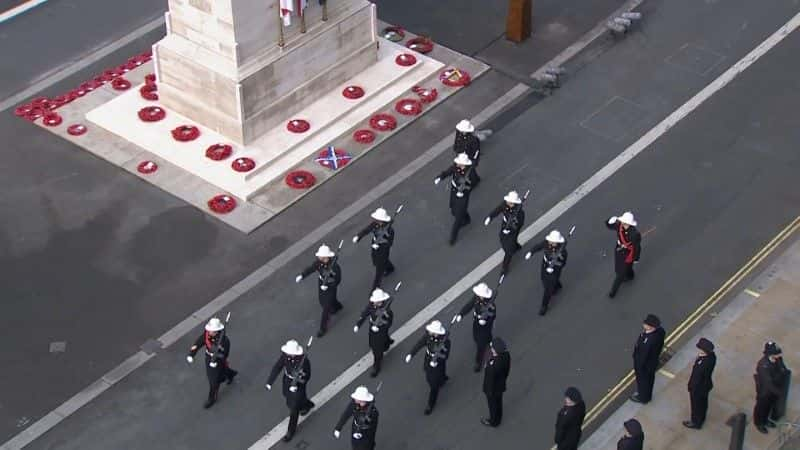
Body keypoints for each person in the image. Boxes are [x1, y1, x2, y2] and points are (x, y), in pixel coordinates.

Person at [265, 340, 316, 442]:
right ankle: (307, 404)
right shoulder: (285, 356)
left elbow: (307, 376)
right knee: (286, 395)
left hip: (298, 386)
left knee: (294, 408)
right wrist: (270, 382)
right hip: (287, 380)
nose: (286, 353)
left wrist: (298, 383)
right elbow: (278, 367)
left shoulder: (304, 361)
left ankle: (290, 432)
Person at [186, 317, 238, 409]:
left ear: (217, 331)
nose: (210, 332)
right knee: (219, 374)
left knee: (214, 380)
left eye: (212, 330)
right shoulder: (207, 335)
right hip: (209, 358)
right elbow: (198, 343)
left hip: (218, 361)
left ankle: (212, 398)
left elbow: (225, 354)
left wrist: (217, 356)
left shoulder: (225, 341)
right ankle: (230, 374)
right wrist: (191, 354)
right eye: (209, 330)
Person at [296, 244, 344, 337]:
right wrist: (302, 275)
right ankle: (337, 306)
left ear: (326, 257)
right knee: (323, 301)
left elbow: (338, 279)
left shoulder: (335, 267)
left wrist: (330, 286)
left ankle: (323, 328)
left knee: (326, 308)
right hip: (321, 284)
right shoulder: (319, 263)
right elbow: (311, 268)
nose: (318, 257)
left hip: (330, 286)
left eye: (320, 256)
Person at [405, 320, 452, 415]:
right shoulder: (428, 337)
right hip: (429, 359)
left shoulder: (446, 342)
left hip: (438, 362)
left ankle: (431, 404)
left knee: (434, 384)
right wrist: (411, 354)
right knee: (430, 374)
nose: (429, 332)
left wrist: (437, 360)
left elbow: (446, 356)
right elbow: (419, 344)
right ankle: (442, 378)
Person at [452, 282, 496, 372]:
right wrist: (461, 314)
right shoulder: (476, 298)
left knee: (481, 345)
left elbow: (493, 316)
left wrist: (486, 320)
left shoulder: (491, 305)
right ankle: (488, 340)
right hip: (476, 322)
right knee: (476, 336)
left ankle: (478, 362)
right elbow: (469, 305)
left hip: (486, 325)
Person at [434, 153, 476, 246]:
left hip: (463, 196)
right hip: (454, 191)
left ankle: (453, 237)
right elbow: (448, 172)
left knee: (458, 217)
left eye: (461, 163)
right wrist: (440, 177)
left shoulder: (470, 172)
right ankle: (466, 219)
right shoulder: (456, 167)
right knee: (453, 209)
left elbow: (471, 184)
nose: (458, 164)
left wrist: (463, 192)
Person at [354, 288, 395, 377]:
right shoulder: (371, 306)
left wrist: (381, 326)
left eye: (378, 301)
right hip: (372, 327)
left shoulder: (387, 311)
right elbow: (364, 314)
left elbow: (389, 322)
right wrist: (358, 324)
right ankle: (387, 341)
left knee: (377, 350)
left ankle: (376, 367)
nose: (375, 303)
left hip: (381, 330)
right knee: (372, 343)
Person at [525, 230, 568, 316]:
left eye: (553, 242)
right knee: (543, 279)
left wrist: (554, 265)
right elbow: (538, 247)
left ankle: (544, 306)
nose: (551, 243)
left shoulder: (563, 252)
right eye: (551, 241)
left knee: (548, 289)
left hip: (554, 270)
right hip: (545, 265)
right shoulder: (546, 243)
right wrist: (531, 252)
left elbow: (563, 264)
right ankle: (557, 285)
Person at [352, 207, 396, 290]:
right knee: (376, 260)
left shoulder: (390, 230)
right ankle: (390, 268)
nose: (375, 220)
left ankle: (375, 288)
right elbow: (367, 230)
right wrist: (358, 236)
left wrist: (381, 244)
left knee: (379, 269)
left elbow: (389, 243)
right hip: (375, 246)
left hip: (383, 249)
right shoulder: (374, 224)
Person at [484, 191, 525, 274]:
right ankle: (516, 246)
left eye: (511, 202)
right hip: (504, 227)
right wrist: (490, 217)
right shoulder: (505, 205)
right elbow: (497, 210)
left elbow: (520, 224)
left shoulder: (520, 213)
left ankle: (505, 268)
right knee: (503, 239)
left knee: (508, 250)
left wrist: (512, 227)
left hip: (513, 231)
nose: (508, 203)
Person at [753, 341, 789, 433]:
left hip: (775, 388)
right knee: (762, 408)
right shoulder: (763, 365)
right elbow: (768, 383)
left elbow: (782, 368)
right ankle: (759, 423)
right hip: (765, 392)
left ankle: (766, 420)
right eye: (777, 353)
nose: (779, 355)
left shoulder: (777, 358)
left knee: (769, 407)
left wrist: (782, 370)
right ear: (770, 354)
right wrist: (779, 393)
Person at [605, 212, 641, 298]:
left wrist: (636, 258)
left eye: (626, 223)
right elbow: (609, 226)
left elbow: (637, 247)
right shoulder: (619, 225)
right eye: (623, 222)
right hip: (620, 249)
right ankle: (630, 275)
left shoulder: (635, 234)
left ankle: (613, 291)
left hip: (629, 252)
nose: (624, 224)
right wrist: (610, 220)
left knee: (621, 273)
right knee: (622, 268)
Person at [631, 314, 665, 404]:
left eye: (645, 323)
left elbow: (643, 356)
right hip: (652, 363)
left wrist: (638, 366)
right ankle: (647, 395)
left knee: (643, 382)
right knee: (649, 381)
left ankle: (643, 398)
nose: (643, 324)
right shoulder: (660, 332)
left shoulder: (649, 341)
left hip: (644, 366)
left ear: (651, 327)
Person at [683, 338, 716, 429]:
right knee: (703, 404)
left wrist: (691, 387)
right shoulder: (712, 357)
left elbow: (696, 377)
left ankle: (696, 422)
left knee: (696, 405)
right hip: (705, 386)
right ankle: (701, 418)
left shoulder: (704, 363)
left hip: (698, 388)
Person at [482, 337, 511, 427]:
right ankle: (498, 417)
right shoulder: (506, 356)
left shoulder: (494, 364)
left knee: (493, 405)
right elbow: (506, 371)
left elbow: (490, 376)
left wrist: (488, 391)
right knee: (499, 403)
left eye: (493, 348)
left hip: (492, 389)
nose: (491, 349)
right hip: (500, 385)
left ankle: (493, 421)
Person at [453, 119, 482, 186]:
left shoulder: (473, 139)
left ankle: (474, 181)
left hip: (469, 156)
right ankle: (475, 179)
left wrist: (474, 160)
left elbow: (476, 151)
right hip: (461, 154)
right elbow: (457, 140)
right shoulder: (459, 133)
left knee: (469, 170)